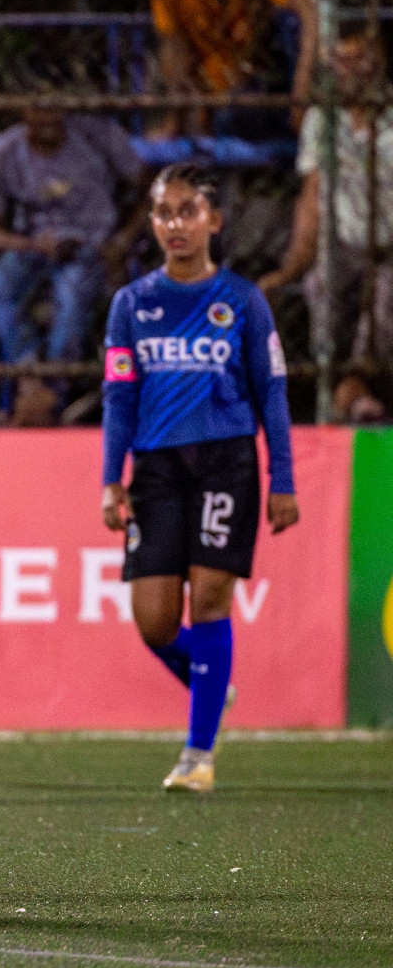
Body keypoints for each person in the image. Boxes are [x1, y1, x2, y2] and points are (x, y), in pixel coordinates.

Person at [101, 161, 298, 794]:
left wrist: (282, 479)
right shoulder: (132, 304)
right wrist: (112, 477)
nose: (175, 224)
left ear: (214, 219)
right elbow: (119, 397)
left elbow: (271, 394)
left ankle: (198, 754)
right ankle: (213, 682)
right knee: (154, 622)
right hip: (157, 469)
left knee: (210, 597)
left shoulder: (242, 300)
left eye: (188, 211)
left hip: (226, 460)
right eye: (163, 212)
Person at [0, 101, 147, 418]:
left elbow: (149, 191)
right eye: (38, 109)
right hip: (34, 245)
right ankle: (28, 378)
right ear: (25, 113)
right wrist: (34, 245)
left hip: (93, 243)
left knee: (72, 292)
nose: (48, 119)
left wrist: (121, 240)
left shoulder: (97, 137)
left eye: (54, 108)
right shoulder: (2, 153)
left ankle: (54, 388)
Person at [260, 29, 393, 421]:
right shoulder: (323, 120)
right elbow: (312, 197)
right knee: (318, 284)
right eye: (341, 60)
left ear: (378, 61)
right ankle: (341, 387)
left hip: (391, 243)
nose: (348, 70)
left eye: (358, 59)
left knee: (387, 299)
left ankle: (352, 389)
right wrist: (290, 267)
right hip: (344, 242)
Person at [150, 0, 316, 139]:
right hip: (229, 103)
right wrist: (174, 122)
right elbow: (175, 51)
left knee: (289, 20)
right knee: (230, 117)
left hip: (281, 82)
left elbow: (309, 17)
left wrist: (302, 89)